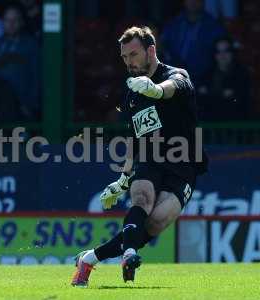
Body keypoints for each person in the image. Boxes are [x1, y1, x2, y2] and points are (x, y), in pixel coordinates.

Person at [71, 26, 208, 286]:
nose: (128, 62)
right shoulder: (132, 92)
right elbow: (136, 139)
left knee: (155, 222)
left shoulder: (177, 76)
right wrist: (123, 179)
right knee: (142, 197)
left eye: (133, 55)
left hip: (184, 165)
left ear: (151, 51)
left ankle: (89, 258)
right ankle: (130, 254)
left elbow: (171, 87)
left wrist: (155, 90)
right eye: (124, 57)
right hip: (151, 160)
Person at [0, 5, 40, 120]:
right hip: (0, 106)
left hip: (24, 106)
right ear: (3, 22)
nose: (11, 24)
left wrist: (31, 104)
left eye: (15, 20)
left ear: (22, 22)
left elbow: (36, 76)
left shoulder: (31, 44)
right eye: (7, 20)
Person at [161, 0, 226, 86]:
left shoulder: (213, 26)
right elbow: (163, 46)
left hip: (203, 80)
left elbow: (218, 57)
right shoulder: (174, 23)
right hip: (173, 77)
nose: (193, 2)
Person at [196, 37, 252, 121]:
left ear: (233, 53)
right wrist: (222, 94)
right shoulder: (206, 75)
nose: (222, 55)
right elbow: (200, 100)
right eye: (218, 52)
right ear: (214, 54)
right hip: (211, 126)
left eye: (226, 51)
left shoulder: (242, 75)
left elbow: (241, 101)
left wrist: (210, 93)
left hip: (236, 126)